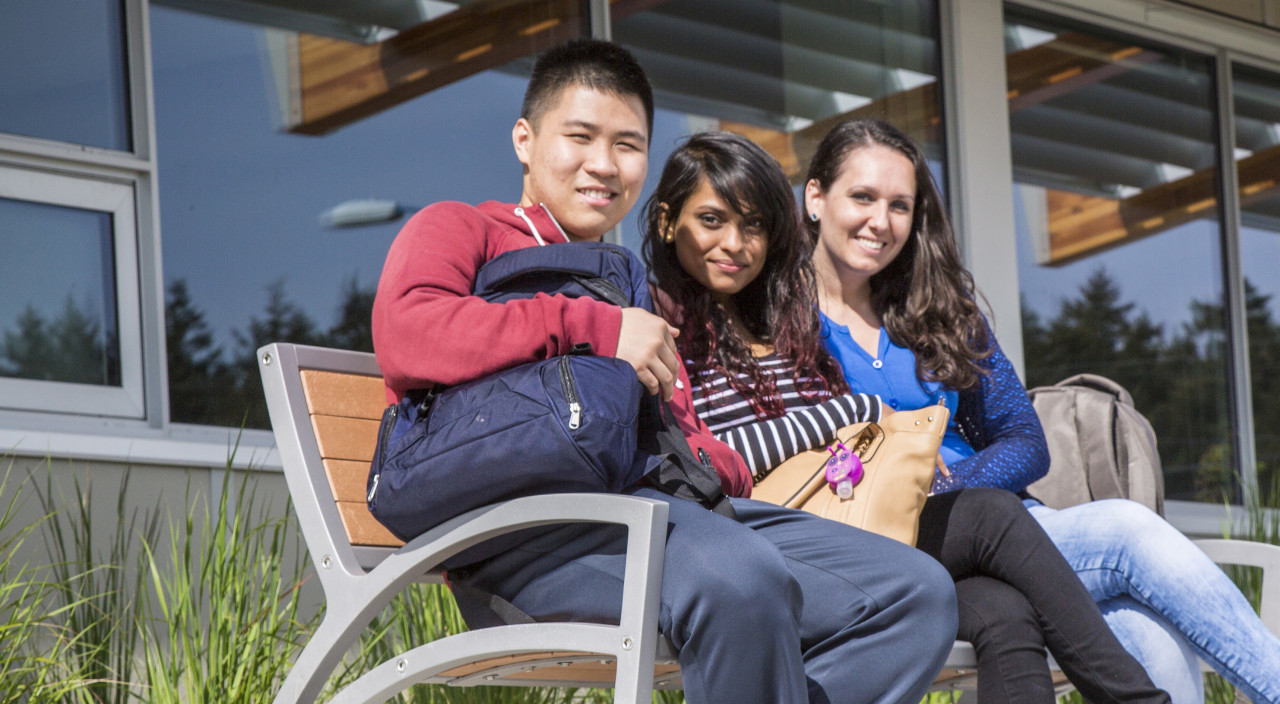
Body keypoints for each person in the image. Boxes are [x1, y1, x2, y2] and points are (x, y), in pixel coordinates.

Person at [371, 40, 958, 704]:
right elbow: (408, 333)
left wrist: (727, 462)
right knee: (740, 576)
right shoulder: (464, 229)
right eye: (580, 137)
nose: (603, 163)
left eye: (627, 144)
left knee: (915, 595)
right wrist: (597, 325)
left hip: (668, 518)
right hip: (525, 540)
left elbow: (678, 430)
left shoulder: (625, 281)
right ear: (525, 140)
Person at [641, 130, 1170, 704]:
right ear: (669, 222)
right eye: (713, 220)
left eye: (755, 226)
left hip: (835, 519)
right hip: (759, 540)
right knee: (990, 515)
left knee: (1004, 610)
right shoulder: (658, 323)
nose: (735, 243)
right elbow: (705, 461)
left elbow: (1022, 439)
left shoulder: (774, 316)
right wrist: (862, 410)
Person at [802, 117, 1280, 704]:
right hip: (878, 546)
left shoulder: (939, 311)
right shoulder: (784, 324)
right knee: (1127, 532)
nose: (882, 221)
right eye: (863, 197)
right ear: (816, 197)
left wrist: (956, 484)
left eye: (900, 205)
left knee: (1147, 636)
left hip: (998, 536)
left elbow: (1026, 441)